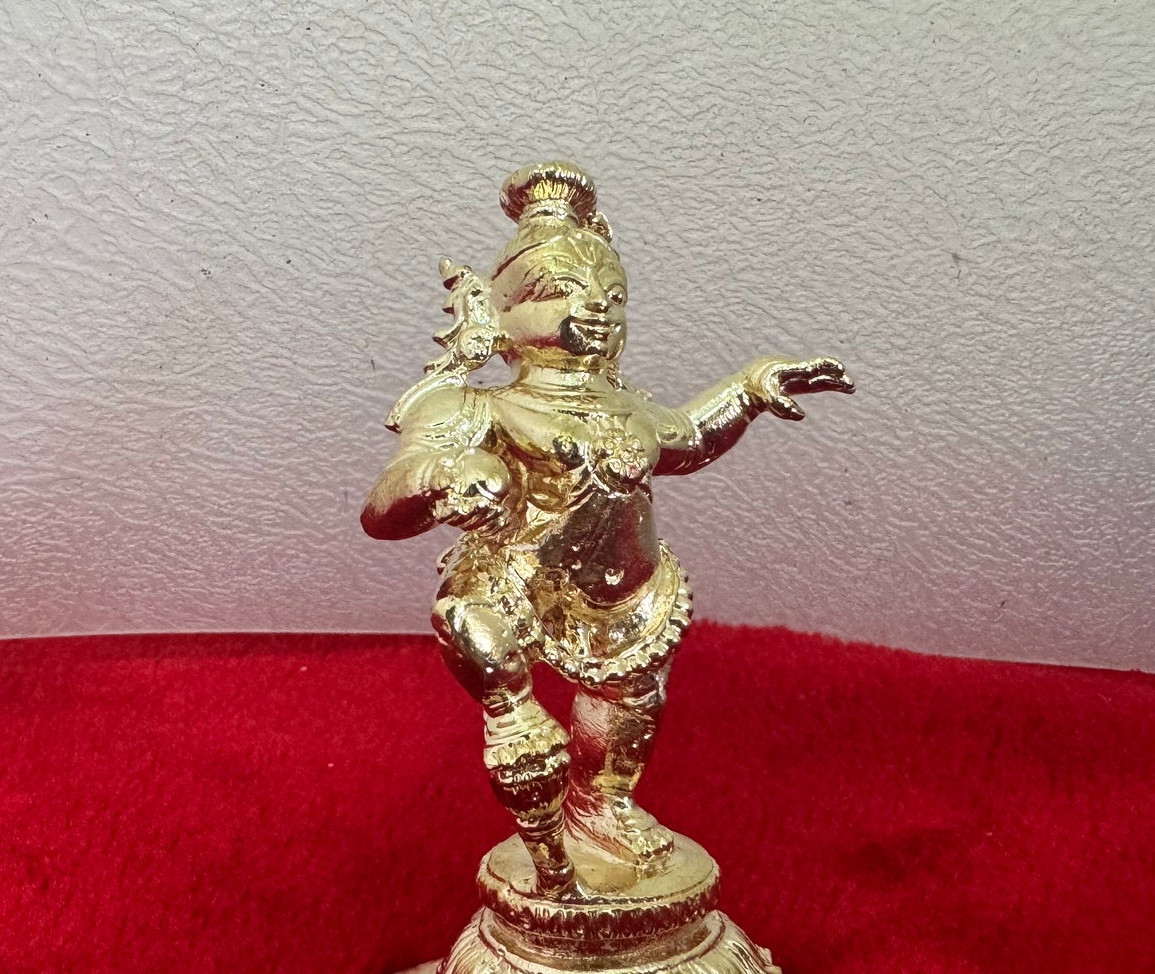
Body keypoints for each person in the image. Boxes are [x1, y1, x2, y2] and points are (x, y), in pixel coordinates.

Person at [363, 163, 853, 894]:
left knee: (632, 704)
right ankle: (531, 783)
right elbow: (384, 505)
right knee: (479, 638)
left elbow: (691, 436)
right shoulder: (476, 408)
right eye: (559, 289)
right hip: (517, 585)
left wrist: (750, 388)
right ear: (494, 314)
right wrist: (441, 478)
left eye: (611, 295)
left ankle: (601, 805)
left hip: (630, 598)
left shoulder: (631, 410)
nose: (593, 307)